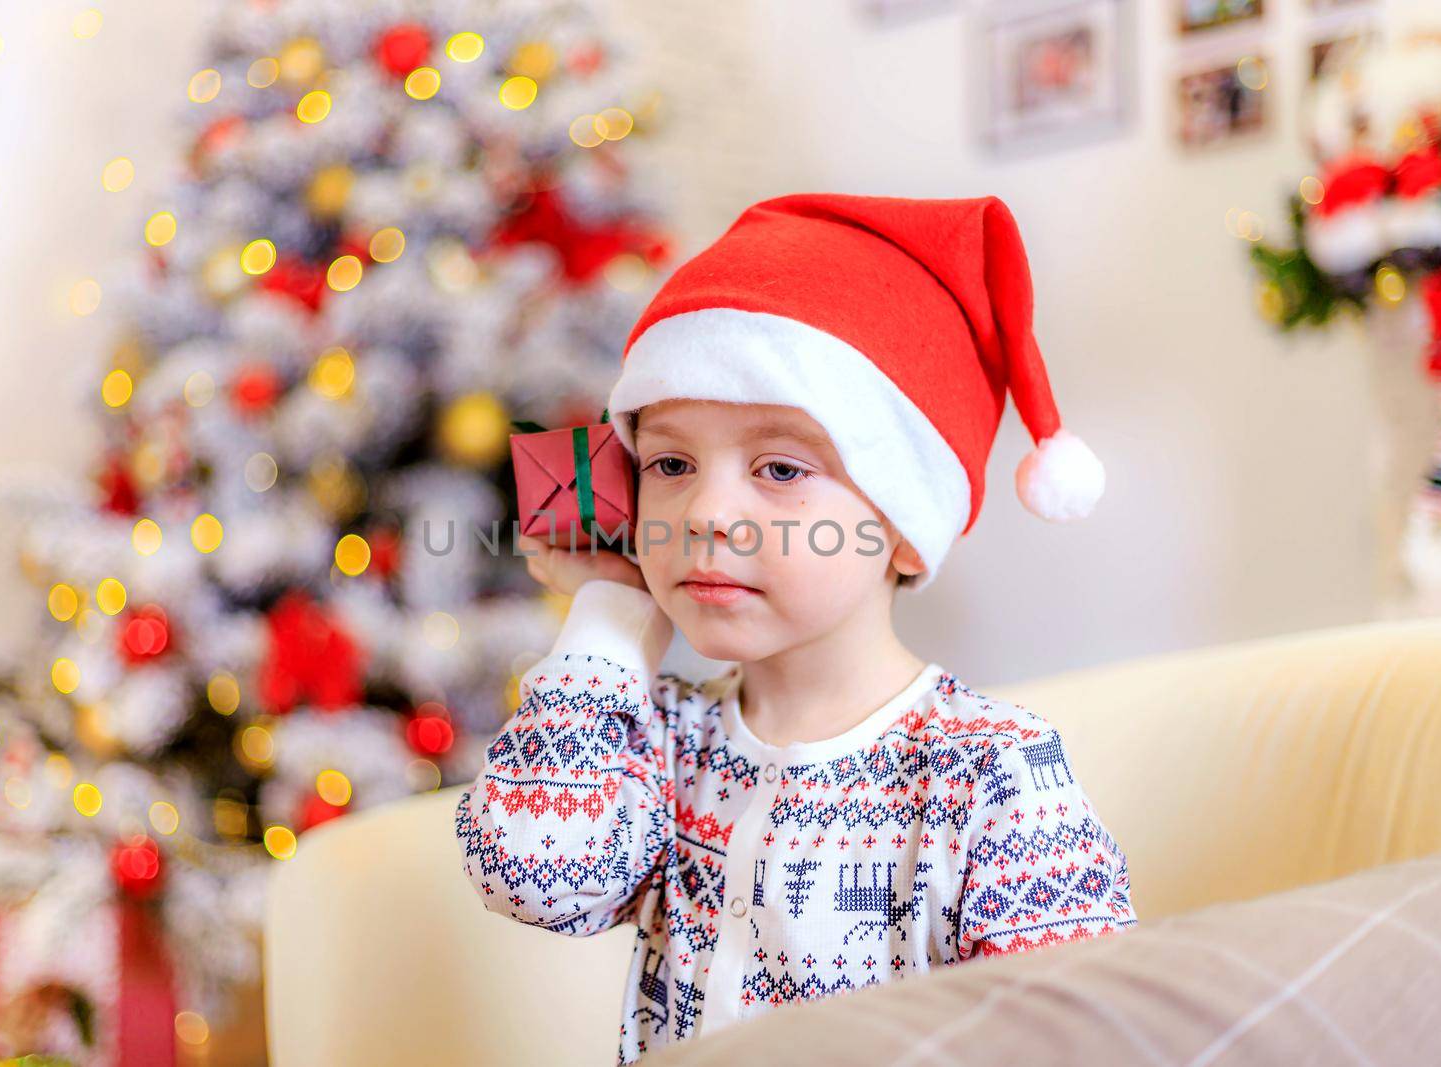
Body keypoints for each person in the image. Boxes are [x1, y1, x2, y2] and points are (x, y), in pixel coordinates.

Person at [454, 193, 1136, 1064]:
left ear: (899, 517)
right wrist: (607, 618)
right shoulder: (657, 734)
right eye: (670, 463)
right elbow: (534, 876)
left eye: (780, 467)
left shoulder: (992, 768)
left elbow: (1083, 1039)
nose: (706, 513)